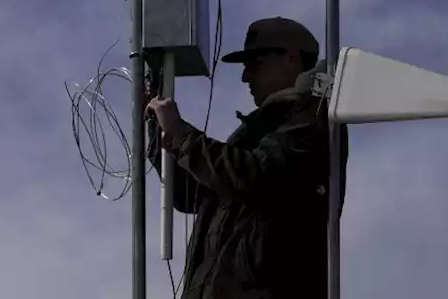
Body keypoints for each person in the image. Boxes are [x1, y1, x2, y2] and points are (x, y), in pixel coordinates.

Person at [146, 16, 348, 299]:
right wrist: (159, 129)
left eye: (254, 63)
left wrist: (180, 134)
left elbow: (256, 176)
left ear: (290, 58)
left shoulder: (315, 118)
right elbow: (190, 193)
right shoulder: (262, 130)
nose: (245, 76)